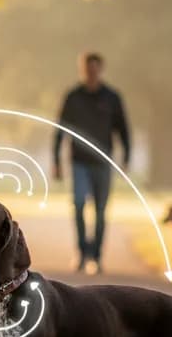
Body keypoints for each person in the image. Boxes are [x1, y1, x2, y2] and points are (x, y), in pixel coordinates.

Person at [51, 52, 130, 275]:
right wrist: (56, 161)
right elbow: (61, 129)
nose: (91, 73)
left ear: (100, 70)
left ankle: (96, 256)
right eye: (87, 69)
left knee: (101, 211)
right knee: (78, 204)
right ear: (82, 70)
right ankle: (81, 252)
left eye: (94, 69)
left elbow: (123, 129)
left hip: (103, 162)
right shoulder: (73, 96)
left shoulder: (112, 97)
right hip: (79, 162)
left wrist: (126, 157)